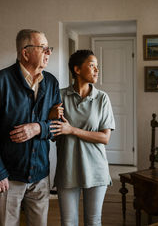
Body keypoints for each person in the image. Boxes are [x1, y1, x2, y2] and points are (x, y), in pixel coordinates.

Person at [0, 29, 61, 226]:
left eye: (49, 48)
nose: (49, 52)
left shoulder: (51, 83)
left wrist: (38, 128)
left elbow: (58, 125)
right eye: (44, 48)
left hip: (40, 175)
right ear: (25, 53)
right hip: (7, 177)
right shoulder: (0, 82)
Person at [50, 50, 115, 226]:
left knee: (93, 222)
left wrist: (71, 130)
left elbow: (104, 138)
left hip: (96, 169)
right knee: (68, 222)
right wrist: (51, 116)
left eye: (97, 66)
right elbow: (53, 135)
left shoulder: (102, 98)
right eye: (92, 65)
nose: (97, 70)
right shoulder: (59, 96)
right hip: (67, 168)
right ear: (77, 69)